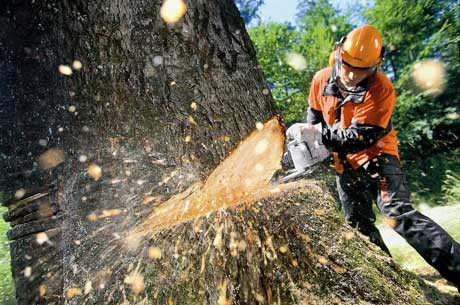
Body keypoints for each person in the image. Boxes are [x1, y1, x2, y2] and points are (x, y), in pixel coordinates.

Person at [302, 24, 460, 288]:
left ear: (374, 66)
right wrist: (309, 140)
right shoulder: (320, 80)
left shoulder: (382, 89)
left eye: (360, 70)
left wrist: (320, 136)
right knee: (358, 228)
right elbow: (315, 117)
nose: (352, 75)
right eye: (348, 66)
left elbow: (359, 138)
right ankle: (390, 286)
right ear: (339, 55)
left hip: (379, 158)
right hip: (344, 165)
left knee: (398, 214)